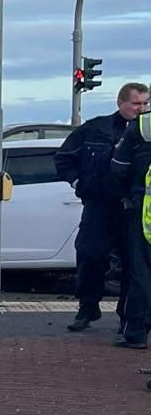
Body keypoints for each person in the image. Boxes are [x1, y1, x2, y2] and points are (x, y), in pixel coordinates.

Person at [58, 82, 148, 334]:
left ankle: (127, 319)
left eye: (144, 104)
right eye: (135, 104)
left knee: (133, 266)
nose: (140, 109)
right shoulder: (95, 128)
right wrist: (79, 183)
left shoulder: (146, 131)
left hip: (133, 209)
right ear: (120, 103)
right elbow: (64, 158)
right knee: (89, 255)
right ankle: (88, 307)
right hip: (99, 205)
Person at [107, 84, 151, 349]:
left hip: (142, 214)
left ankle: (136, 332)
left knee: (141, 274)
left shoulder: (142, 127)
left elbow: (118, 168)